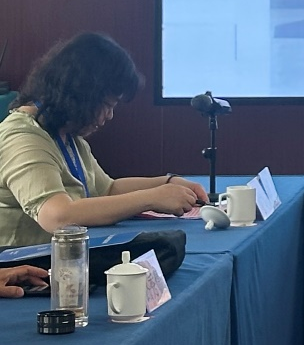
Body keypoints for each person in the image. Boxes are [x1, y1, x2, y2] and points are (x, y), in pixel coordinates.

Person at [0, 33, 207, 248]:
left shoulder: (65, 134)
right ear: (81, 95)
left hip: (60, 256)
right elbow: (57, 216)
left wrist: (167, 183)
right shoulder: (22, 138)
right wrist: (151, 198)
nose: (109, 116)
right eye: (108, 105)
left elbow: (108, 189)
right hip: (20, 262)